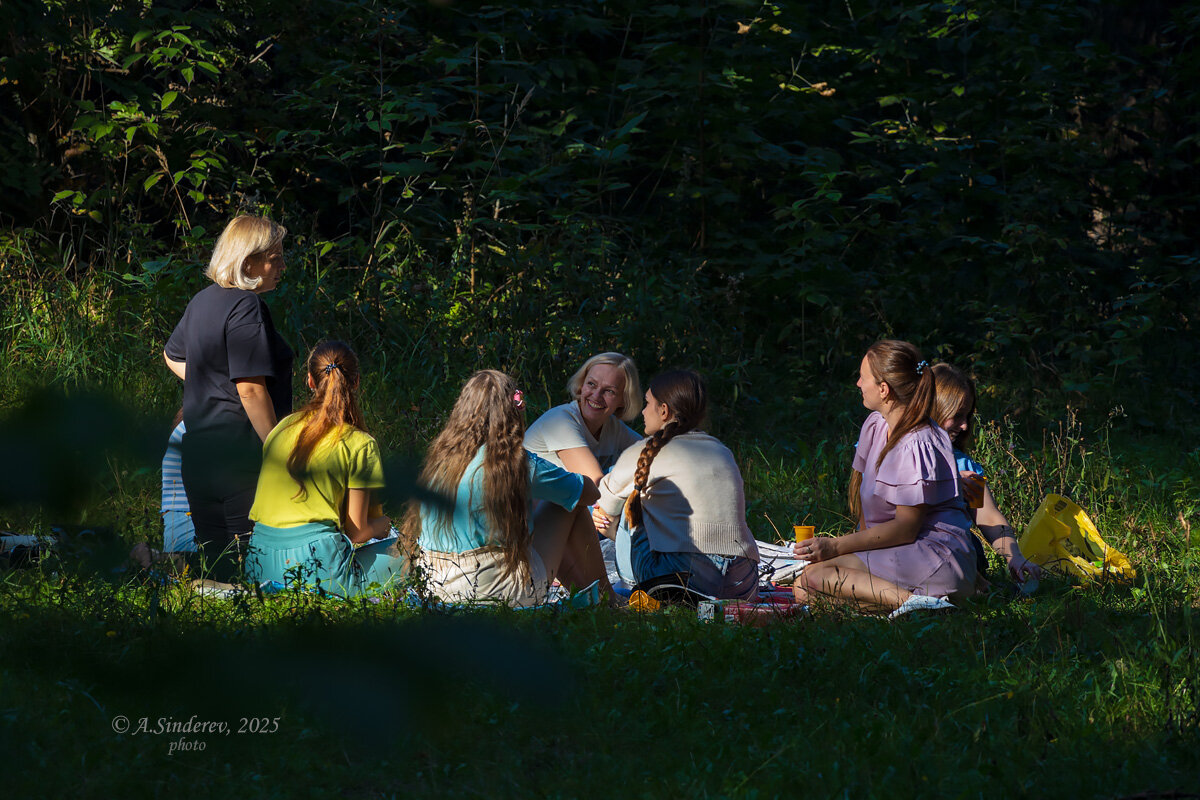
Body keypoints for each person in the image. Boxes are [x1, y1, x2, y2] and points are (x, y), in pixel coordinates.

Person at [793, 340, 977, 617]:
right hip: (900, 551)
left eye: (863, 377)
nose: (858, 383)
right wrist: (851, 551)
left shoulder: (917, 442)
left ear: (883, 389)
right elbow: (865, 507)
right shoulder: (876, 426)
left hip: (934, 554)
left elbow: (906, 528)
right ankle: (911, 606)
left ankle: (919, 604)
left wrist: (835, 546)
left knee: (815, 577)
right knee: (803, 589)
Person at [404, 370, 611, 606]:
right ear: (513, 411)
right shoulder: (516, 463)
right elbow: (589, 494)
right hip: (498, 591)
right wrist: (560, 480)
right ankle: (607, 597)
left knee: (555, 500)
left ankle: (593, 597)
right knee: (567, 503)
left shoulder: (440, 460)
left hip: (434, 588)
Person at [164, 215, 293, 573]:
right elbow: (250, 389)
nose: (283, 266)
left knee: (217, 567)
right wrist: (278, 447)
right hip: (241, 456)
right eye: (275, 258)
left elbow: (171, 355)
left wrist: (209, 381)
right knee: (250, 568)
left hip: (199, 456)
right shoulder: (246, 306)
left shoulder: (202, 301)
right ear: (248, 261)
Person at [244, 341, 406, 596]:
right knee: (411, 552)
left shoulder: (280, 429)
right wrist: (384, 525)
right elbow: (358, 532)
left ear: (309, 380)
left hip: (259, 563)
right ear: (356, 382)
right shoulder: (360, 443)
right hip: (318, 566)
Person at [592, 370, 760, 600]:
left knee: (631, 502)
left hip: (681, 580)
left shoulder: (645, 451)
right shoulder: (722, 450)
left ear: (663, 411)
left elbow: (601, 505)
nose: (643, 411)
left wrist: (607, 521)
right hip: (744, 582)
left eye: (647, 403)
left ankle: (633, 585)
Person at [932, 363, 1041, 587]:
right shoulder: (894, 452)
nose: (964, 426)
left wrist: (1014, 556)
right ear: (935, 409)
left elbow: (987, 516)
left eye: (967, 416)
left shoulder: (963, 464)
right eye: (957, 416)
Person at [524, 352, 642, 486]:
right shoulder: (560, 421)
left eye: (609, 391)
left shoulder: (613, 427)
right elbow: (594, 485)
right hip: (522, 499)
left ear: (624, 399)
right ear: (581, 385)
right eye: (591, 384)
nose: (596, 396)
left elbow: (652, 453)